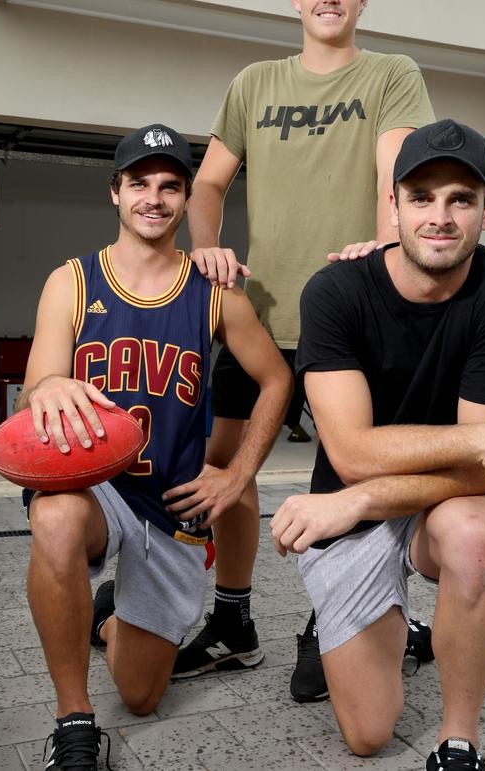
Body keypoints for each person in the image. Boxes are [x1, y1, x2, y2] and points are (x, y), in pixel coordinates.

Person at [174, 0, 435, 698]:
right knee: (223, 468)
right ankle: (233, 619)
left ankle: (341, 619)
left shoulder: (392, 73)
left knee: (347, 476)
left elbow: (399, 170)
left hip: (349, 315)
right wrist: (208, 252)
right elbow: (208, 184)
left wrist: (384, 247)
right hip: (258, 317)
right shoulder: (255, 83)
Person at [270, 119, 485, 768]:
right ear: (394, 206)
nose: (440, 214)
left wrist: (367, 495)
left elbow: (477, 480)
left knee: (475, 529)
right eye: (422, 196)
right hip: (344, 513)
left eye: (461, 198)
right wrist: (483, 440)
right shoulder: (336, 292)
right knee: (369, 733)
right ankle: (386, 624)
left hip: (427, 508)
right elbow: (350, 452)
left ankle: (457, 742)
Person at [16, 124, 292, 771]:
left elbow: (277, 377)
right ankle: (74, 720)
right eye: (140, 182)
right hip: (98, 489)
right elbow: (37, 388)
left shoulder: (213, 290)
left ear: (184, 197)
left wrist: (236, 475)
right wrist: (50, 385)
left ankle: (105, 616)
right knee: (53, 517)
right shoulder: (73, 282)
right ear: (116, 191)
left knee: (141, 695)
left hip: (171, 502)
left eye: (170, 186)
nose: (154, 197)